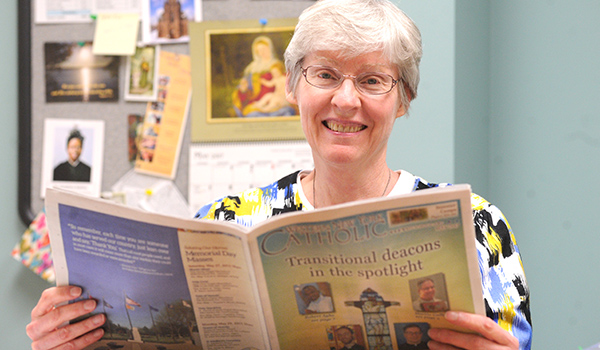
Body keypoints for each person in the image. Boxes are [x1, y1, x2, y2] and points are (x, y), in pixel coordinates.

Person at [27, 1, 532, 349]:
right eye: (326, 74)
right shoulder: (222, 224)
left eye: (373, 80)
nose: (346, 100)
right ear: (292, 86)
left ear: (403, 101)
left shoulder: (477, 226)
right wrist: (70, 337)